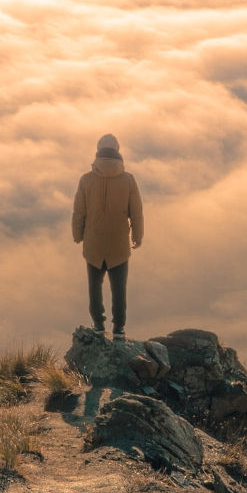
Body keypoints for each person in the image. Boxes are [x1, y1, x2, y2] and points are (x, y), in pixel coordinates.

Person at [72, 134, 143, 340]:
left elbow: (79, 211)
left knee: (94, 286)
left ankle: (98, 325)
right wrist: (137, 236)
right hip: (118, 242)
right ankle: (119, 329)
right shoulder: (128, 179)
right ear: (118, 151)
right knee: (119, 288)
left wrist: (77, 234)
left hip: (93, 242)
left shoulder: (86, 180)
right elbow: (136, 211)